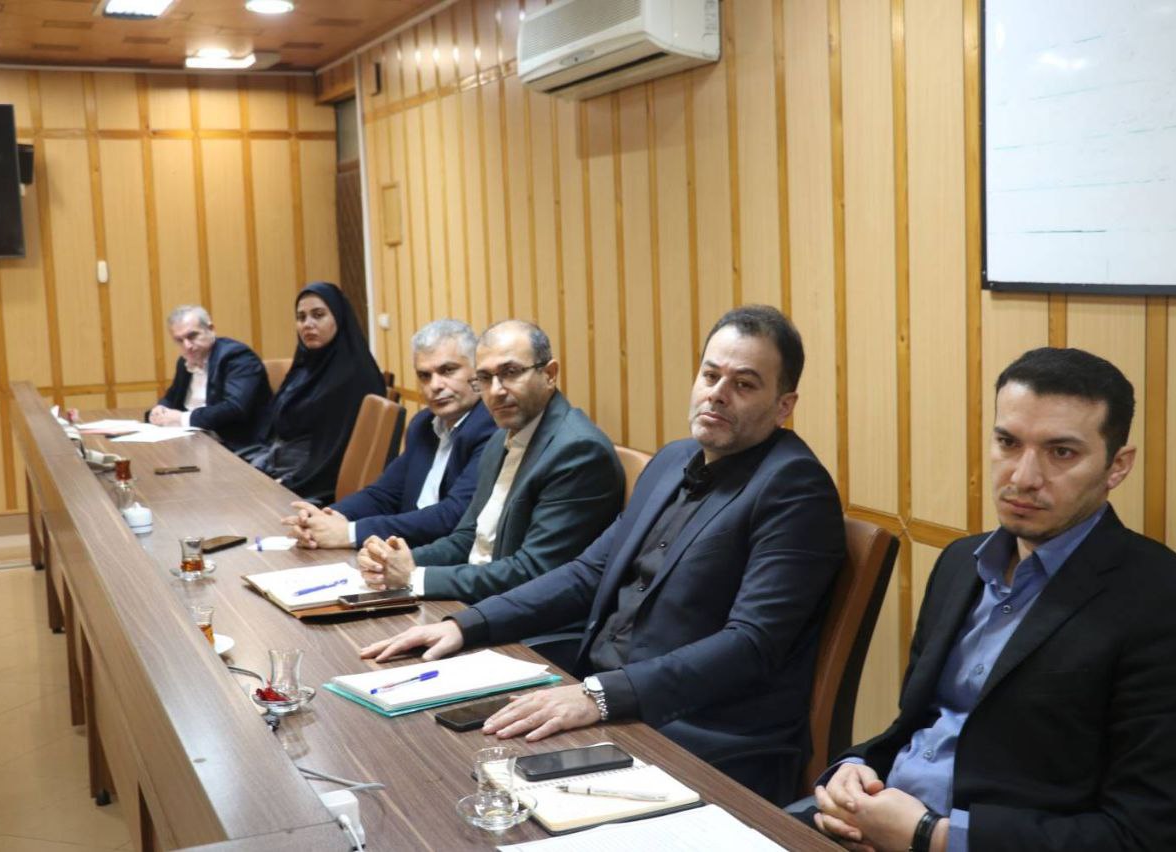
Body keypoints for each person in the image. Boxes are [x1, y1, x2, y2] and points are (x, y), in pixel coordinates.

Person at [360, 306, 846, 803]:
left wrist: (600, 696)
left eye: (744, 384)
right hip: (603, 695)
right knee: (425, 756)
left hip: (701, 733)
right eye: (710, 375)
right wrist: (468, 624)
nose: (718, 393)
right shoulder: (674, 459)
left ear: (784, 406)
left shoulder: (794, 486)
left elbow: (751, 645)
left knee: (479, 800)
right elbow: (587, 573)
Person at [795, 347, 1176, 852]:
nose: (1023, 477)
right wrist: (855, 768)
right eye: (1008, 442)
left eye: (1062, 453)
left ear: (1117, 466)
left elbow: (1147, 836)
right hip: (874, 821)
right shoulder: (960, 562)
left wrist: (931, 836)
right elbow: (921, 727)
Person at [353, 319, 624, 603]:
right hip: (479, 596)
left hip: (526, 617)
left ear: (549, 374)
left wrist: (415, 577)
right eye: (484, 378)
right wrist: (397, 561)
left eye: (510, 372)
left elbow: (534, 572)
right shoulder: (500, 438)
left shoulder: (578, 451)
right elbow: (468, 537)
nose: (495, 390)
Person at [281, 319, 496, 549]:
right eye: (425, 375)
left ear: (477, 372)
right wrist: (326, 518)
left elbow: (453, 516)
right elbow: (384, 494)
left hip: (443, 558)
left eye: (448, 370)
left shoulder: (491, 427)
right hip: (399, 549)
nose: (435, 385)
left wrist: (349, 532)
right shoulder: (423, 424)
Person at [246, 282, 385, 504]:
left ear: (338, 318)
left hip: (312, 482)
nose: (308, 324)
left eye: (318, 315)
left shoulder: (353, 376)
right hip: (280, 462)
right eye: (301, 317)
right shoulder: (305, 364)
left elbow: (334, 455)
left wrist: (288, 483)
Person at [146, 305, 270, 452]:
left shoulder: (237, 357)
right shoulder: (185, 361)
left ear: (211, 329)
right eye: (179, 340)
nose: (187, 346)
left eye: (192, 336)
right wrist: (160, 409)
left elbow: (235, 408)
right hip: (193, 439)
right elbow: (172, 396)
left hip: (234, 444)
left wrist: (182, 418)